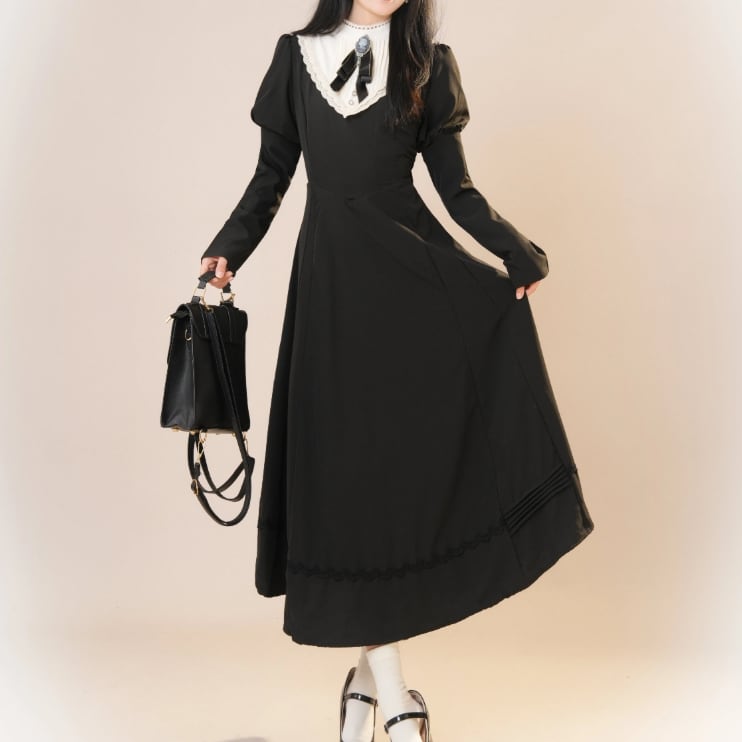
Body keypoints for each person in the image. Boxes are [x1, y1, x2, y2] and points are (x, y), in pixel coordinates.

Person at [198, 1, 595, 740]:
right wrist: (228, 248)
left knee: (385, 483)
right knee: (348, 477)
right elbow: (271, 177)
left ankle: (375, 692)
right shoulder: (295, 57)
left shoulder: (428, 65)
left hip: (411, 286)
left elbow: (456, 189)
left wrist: (515, 252)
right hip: (333, 288)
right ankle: (392, 697)